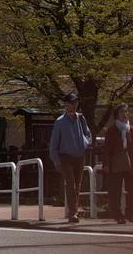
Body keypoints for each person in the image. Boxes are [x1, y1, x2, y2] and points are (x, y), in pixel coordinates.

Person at [49, 92, 92, 223]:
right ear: (66, 105)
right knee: (71, 183)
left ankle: (73, 210)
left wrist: (85, 142)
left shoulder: (81, 118)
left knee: (77, 184)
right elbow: (54, 143)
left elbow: (88, 134)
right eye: (72, 102)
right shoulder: (60, 122)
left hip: (79, 156)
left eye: (76, 102)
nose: (74, 105)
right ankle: (73, 212)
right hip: (65, 157)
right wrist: (56, 161)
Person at [103, 103, 133, 224]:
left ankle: (130, 213)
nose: (125, 114)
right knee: (115, 190)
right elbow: (106, 149)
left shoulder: (130, 129)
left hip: (130, 161)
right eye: (122, 112)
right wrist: (106, 164)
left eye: (126, 111)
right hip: (116, 161)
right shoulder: (112, 129)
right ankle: (117, 214)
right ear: (116, 115)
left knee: (131, 188)